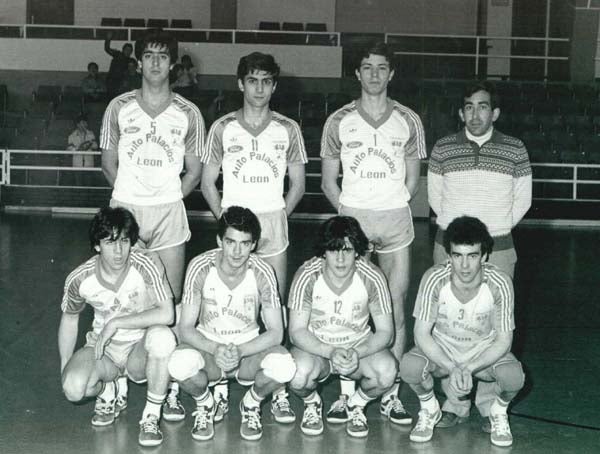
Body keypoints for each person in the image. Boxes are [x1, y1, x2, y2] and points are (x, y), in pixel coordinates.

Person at [101, 28, 205, 421]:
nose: (156, 62)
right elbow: (108, 162)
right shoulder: (119, 107)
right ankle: (117, 382)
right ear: (139, 62)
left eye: (164, 56)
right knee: (121, 295)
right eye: (149, 55)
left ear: (173, 64)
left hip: (168, 212)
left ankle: (171, 385)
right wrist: (130, 195)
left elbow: (193, 171)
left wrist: (166, 195)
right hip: (126, 209)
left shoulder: (189, 113)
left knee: (169, 301)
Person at [320, 41, 426, 423]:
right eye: (367, 67)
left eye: (382, 67)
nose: (375, 74)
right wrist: (350, 216)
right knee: (351, 313)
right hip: (355, 224)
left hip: (395, 221)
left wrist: (390, 203)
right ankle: (347, 394)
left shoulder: (409, 120)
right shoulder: (339, 121)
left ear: (392, 73)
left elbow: (413, 180)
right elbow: (329, 181)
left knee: (395, 311)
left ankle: (390, 393)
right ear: (357, 73)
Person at [201, 51, 307, 422]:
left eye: (266, 81)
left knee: (270, 303)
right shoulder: (222, 127)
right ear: (240, 84)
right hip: (234, 226)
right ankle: (218, 384)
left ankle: (272, 385)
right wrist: (227, 222)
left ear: (274, 86)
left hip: (272, 224)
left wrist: (277, 216)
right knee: (232, 301)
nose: (259, 88)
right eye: (252, 81)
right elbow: (207, 182)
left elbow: (297, 183)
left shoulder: (288, 129)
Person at [167, 206, 296, 441]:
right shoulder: (200, 266)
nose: (237, 251)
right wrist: (215, 349)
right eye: (230, 242)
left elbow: (277, 332)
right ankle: (205, 403)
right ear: (219, 240)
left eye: (245, 243)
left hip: (248, 349)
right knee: (177, 364)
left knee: (286, 367)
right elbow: (185, 327)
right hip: (209, 347)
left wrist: (240, 351)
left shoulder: (263, 271)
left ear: (254, 244)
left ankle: (251, 403)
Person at [399, 216, 525, 447]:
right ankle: (429, 408)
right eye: (457, 256)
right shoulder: (434, 278)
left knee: (513, 376)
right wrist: (451, 366)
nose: (464, 266)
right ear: (448, 256)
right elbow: (421, 334)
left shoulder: (500, 282)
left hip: (482, 352)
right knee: (410, 366)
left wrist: (467, 368)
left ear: (484, 255)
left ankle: (498, 411)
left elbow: (504, 340)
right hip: (445, 349)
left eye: (472, 256)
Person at [59, 207, 176, 446]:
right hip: (105, 351)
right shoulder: (80, 278)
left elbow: (167, 314)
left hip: (140, 349)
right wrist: (64, 366)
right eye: (110, 242)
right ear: (97, 245)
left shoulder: (146, 265)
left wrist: (117, 322)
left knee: (164, 338)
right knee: (73, 388)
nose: (119, 250)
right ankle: (108, 390)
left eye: (124, 241)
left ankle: (151, 416)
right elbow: (70, 319)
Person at [288, 215, 397, 438]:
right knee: (297, 375)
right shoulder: (307, 275)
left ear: (357, 251)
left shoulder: (372, 276)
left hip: (357, 348)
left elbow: (386, 332)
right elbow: (296, 331)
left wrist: (357, 352)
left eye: (346, 250)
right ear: (323, 252)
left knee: (387, 372)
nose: (340, 259)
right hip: (319, 349)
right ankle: (312, 403)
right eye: (333, 250)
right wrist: (329, 351)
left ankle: (356, 404)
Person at [428, 80, 532, 279]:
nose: (475, 115)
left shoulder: (515, 148)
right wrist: (456, 231)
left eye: (482, 107)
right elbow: (435, 198)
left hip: (498, 248)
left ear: (495, 114)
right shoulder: (443, 147)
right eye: (469, 107)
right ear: (461, 113)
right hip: (449, 248)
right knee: (445, 308)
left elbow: (523, 200)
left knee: (496, 308)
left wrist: (497, 227)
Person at [104, 32, 134, 99]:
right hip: (111, 81)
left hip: (121, 84)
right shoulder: (117, 54)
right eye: (126, 49)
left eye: (130, 50)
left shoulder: (131, 61)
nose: (128, 51)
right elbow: (107, 49)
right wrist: (108, 39)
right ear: (123, 50)